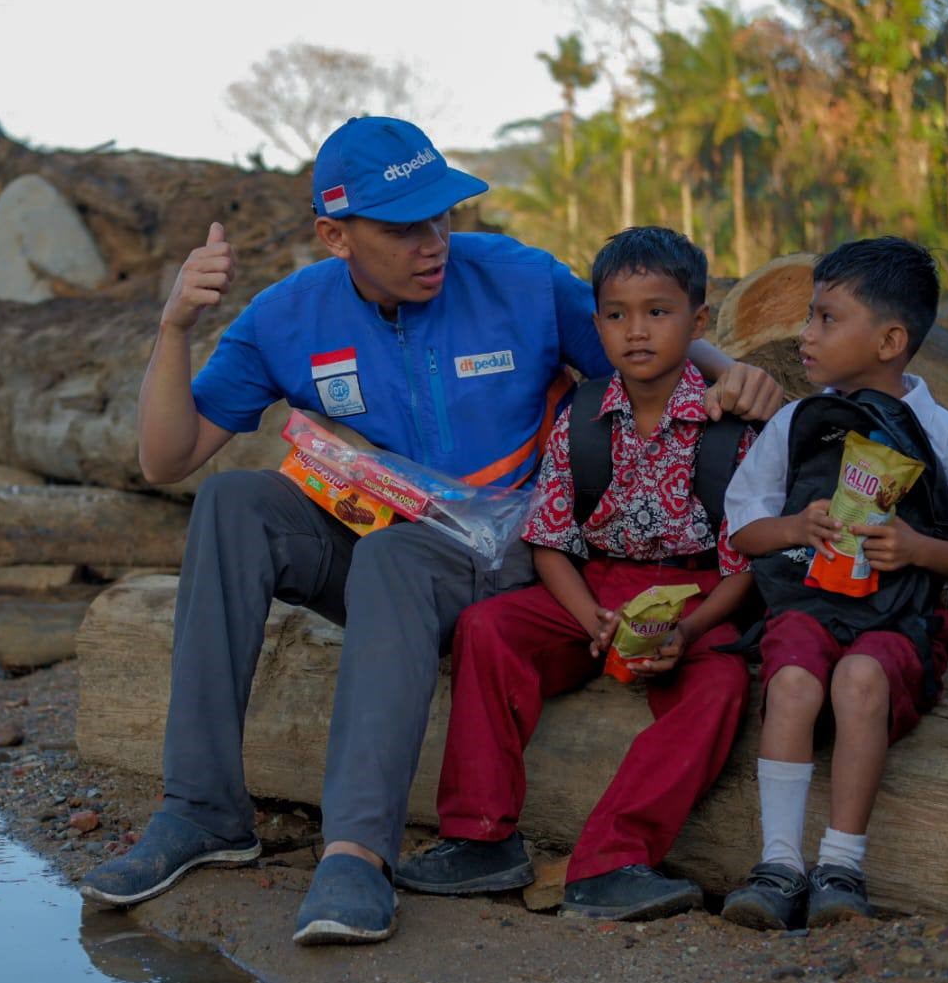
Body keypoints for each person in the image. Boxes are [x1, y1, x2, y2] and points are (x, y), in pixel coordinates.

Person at [79, 115, 784, 945]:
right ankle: (200, 810)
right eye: (402, 227)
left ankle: (355, 853)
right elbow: (166, 457)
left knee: (394, 558)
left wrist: (729, 373)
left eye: (440, 217)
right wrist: (172, 329)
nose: (432, 243)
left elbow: (644, 344)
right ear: (333, 235)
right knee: (234, 503)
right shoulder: (287, 316)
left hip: (511, 551)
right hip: (387, 544)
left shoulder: (518, 280)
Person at [395, 226, 758, 921]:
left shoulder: (728, 427)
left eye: (658, 311)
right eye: (616, 315)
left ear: (699, 320)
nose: (636, 331)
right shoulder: (583, 416)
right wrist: (589, 615)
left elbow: (745, 565)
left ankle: (611, 859)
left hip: (697, 596)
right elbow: (551, 543)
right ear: (595, 325)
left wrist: (686, 629)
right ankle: (479, 838)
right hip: (592, 588)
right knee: (488, 628)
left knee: (717, 686)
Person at [719, 236, 948, 930]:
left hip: (895, 622)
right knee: (789, 681)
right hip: (808, 609)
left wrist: (914, 547)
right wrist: (797, 527)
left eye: (825, 318)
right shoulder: (796, 423)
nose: (805, 334)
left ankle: (841, 864)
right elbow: (743, 529)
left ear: (888, 338)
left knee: (858, 678)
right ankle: (779, 861)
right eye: (809, 316)